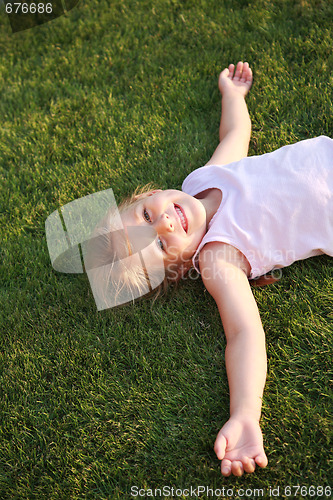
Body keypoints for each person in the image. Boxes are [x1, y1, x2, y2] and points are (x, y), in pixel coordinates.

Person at [88, 62, 333, 476]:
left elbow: (235, 137)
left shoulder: (199, 180)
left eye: (148, 216)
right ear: (181, 266)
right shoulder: (218, 257)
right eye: (163, 244)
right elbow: (243, 334)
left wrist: (232, 97)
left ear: (151, 193)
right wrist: (245, 414)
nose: (165, 222)